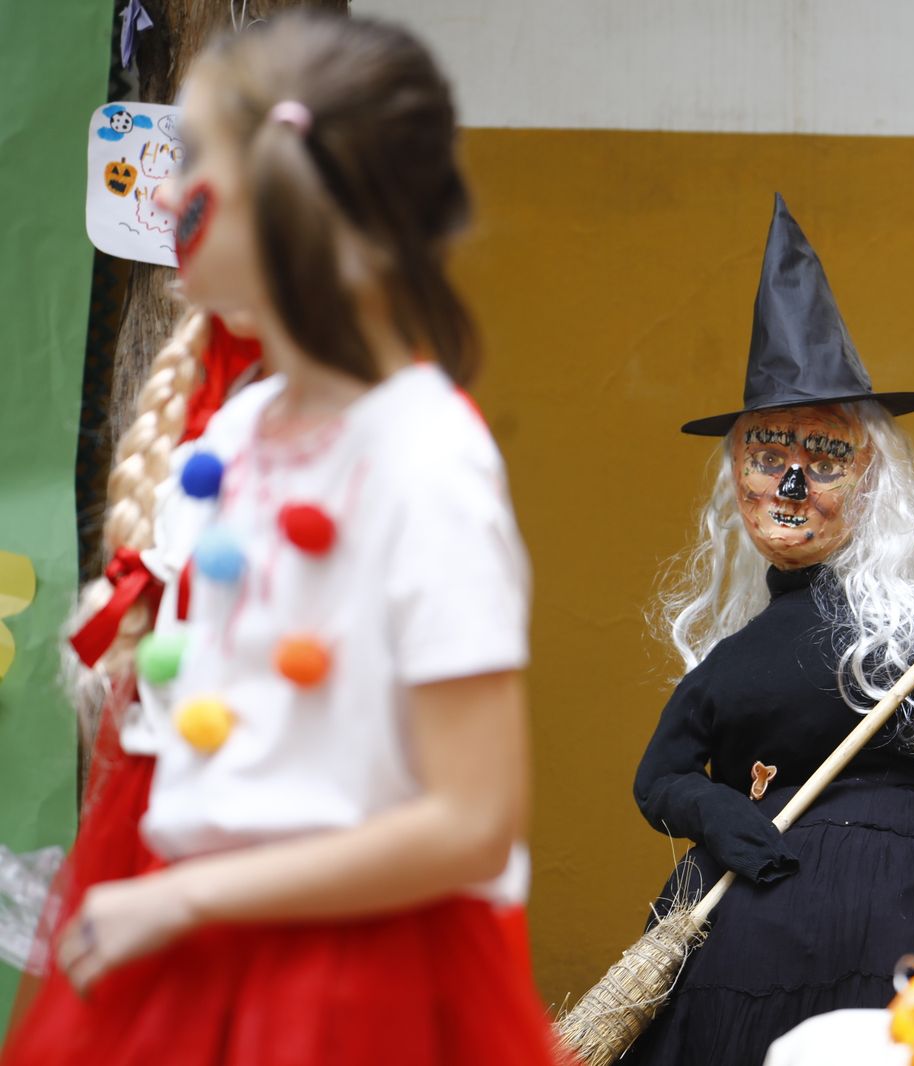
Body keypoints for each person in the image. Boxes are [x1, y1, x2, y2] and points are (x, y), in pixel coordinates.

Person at [1, 13, 562, 1065]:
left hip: (348, 990)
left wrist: (187, 899)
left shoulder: (425, 460)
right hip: (203, 954)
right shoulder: (241, 432)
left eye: (195, 168)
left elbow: (469, 822)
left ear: (296, 204)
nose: (165, 197)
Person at [626, 195, 914, 1064]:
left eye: (823, 458)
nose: (790, 485)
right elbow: (661, 773)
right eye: (766, 454)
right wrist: (710, 808)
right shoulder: (731, 663)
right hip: (739, 935)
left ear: (875, 480)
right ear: (733, 481)